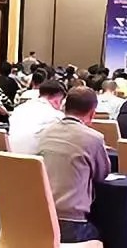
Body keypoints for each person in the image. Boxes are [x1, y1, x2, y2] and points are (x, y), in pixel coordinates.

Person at [36, 87, 111, 243]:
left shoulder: (45, 133)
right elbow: (102, 174)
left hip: (42, 216)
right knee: (112, 232)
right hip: (72, 223)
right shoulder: (93, 138)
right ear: (92, 113)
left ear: (64, 107)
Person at [8, 79, 66, 154]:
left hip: (9, 157)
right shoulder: (57, 116)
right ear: (57, 99)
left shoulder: (19, 109)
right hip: (35, 158)